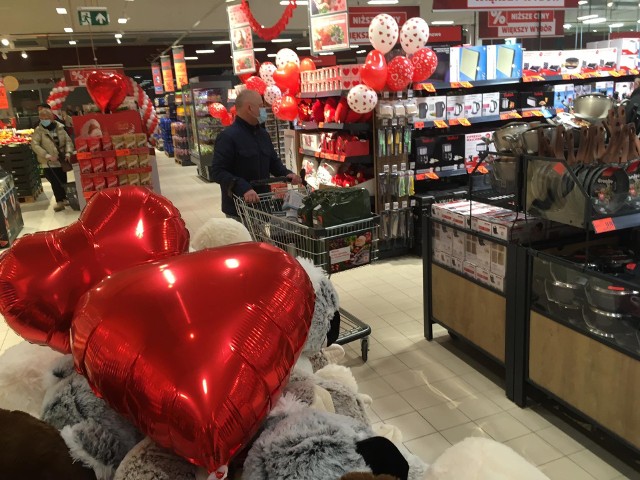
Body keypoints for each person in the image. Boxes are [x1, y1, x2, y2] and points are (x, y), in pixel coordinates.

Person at [211, 89, 301, 219]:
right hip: (238, 208)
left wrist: (287, 174)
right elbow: (217, 171)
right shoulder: (228, 137)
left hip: (262, 205)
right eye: (261, 106)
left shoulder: (263, 135)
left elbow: (273, 163)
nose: (264, 110)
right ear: (249, 108)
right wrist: (243, 187)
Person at [31, 108, 72, 212]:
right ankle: (59, 201)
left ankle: (65, 198)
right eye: (42, 118)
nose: (44, 120)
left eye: (46, 118)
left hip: (61, 160)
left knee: (63, 179)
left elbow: (68, 141)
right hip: (48, 162)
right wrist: (47, 155)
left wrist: (68, 153)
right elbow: (35, 145)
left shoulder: (60, 128)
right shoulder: (38, 131)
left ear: (52, 118)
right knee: (54, 181)